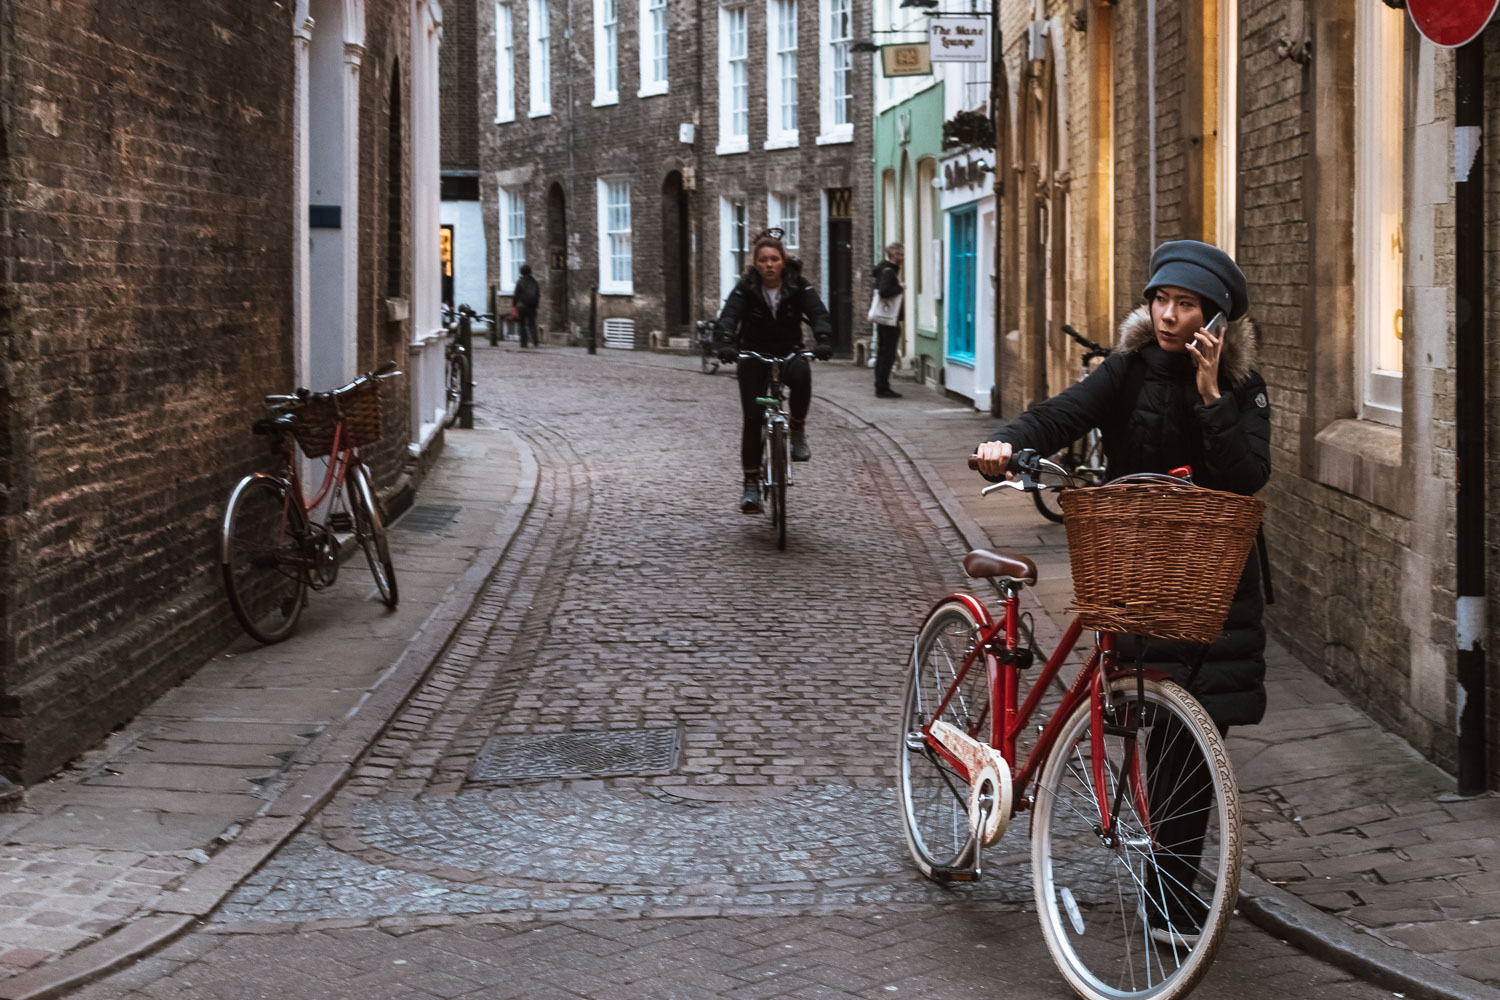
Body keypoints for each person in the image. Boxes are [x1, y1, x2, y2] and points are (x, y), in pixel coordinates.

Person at [974, 239, 1271, 943]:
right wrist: (1006, 440)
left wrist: (1208, 397)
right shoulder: (1128, 370)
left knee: (1195, 742)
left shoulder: (1244, 387)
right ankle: (1160, 883)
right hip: (1139, 564)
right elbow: (1062, 413)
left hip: (1213, 580)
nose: (1169, 317)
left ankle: (1168, 897)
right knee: (1152, 719)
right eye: (1160, 301)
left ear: (1215, 317)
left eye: (1186, 306)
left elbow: (1248, 475)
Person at [715, 229, 835, 514]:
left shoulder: (798, 284)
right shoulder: (746, 287)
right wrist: (726, 343)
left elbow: (818, 312)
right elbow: (729, 315)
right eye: (763, 260)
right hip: (754, 352)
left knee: (802, 375)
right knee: (753, 418)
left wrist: (824, 339)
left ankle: (797, 429)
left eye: (774, 259)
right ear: (756, 263)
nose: (769, 264)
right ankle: (751, 485)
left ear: (783, 261)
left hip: (789, 349)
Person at [871, 243, 905, 398]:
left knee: (883, 352)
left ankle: (881, 384)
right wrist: (900, 287)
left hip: (884, 319)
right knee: (887, 353)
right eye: (902, 254)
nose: (903, 258)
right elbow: (884, 292)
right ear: (895, 255)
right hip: (888, 319)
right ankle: (882, 386)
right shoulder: (888, 272)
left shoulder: (883, 270)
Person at [513, 264, 541, 348]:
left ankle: (523, 343)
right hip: (532, 306)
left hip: (522, 306)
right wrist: (536, 305)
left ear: (521, 272)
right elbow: (538, 294)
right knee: (532, 323)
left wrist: (514, 305)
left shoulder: (520, 282)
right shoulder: (534, 282)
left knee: (522, 325)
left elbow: (516, 295)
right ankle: (535, 340)